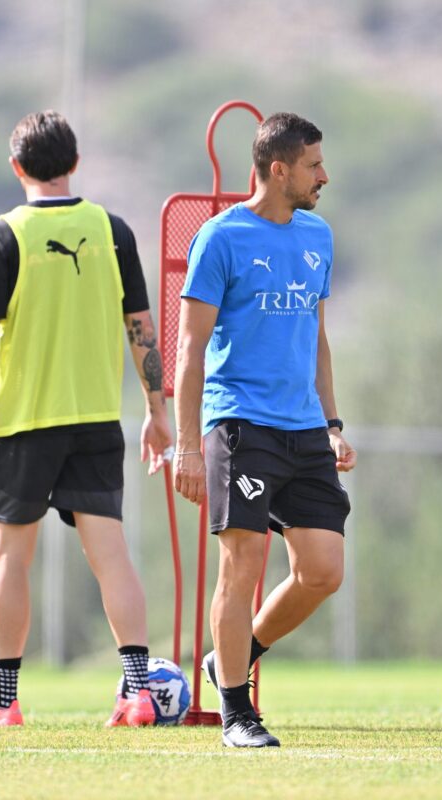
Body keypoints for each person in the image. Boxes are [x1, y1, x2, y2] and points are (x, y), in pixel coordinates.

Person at [0, 110, 172, 728]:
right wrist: (156, 410)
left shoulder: (3, 235)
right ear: (75, 163)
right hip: (95, 418)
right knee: (111, 556)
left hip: (22, 422)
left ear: (16, 167)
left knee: (9, 559)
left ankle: (5, 702)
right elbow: (140, 326)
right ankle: (138, 692)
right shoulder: (111, 228)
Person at [173, 112, 356, 748]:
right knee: (242, 562)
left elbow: (319, 339)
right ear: (278, 169)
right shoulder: (220, 238)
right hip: (239, 422)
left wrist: (332, 423)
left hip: (304, 428)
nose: (323, 176)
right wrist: (187, 447)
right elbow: (190, 351)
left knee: (323, 570)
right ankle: (235, 714)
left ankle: (236, 652)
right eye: (313, 165)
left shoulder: (318, 235)